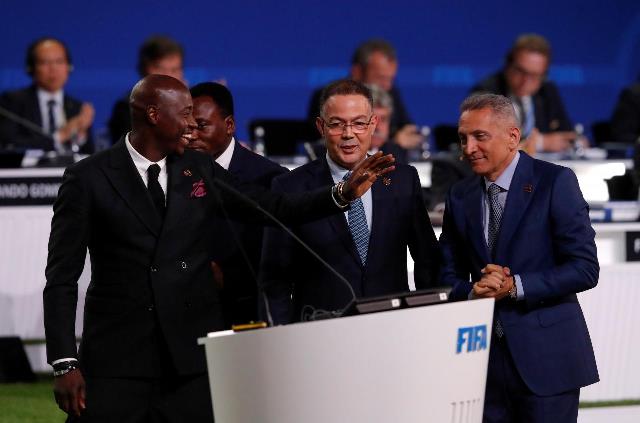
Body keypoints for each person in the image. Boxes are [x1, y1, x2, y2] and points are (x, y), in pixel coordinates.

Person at [43, 74, 394, 422]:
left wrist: (340, 195)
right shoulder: (88, 178)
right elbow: (61, 278)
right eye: (183, 115)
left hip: (190, 361)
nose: (191, 126)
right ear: (153, 115)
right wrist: (64, 361)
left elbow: (273, 207)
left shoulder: (197, 168)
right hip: (118, 360)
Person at [440, 93, 599, 422]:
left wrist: (516, 286)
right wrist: (472, 291)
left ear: (513, 137)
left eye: (479, 137)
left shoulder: (555, 182)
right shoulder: (460, 195)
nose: (468, 148)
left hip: (547, 362)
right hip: (481, 367)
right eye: (463, 138)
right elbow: (445, 274)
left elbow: (585, 268)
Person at [260, 79, 441, 324]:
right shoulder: (290, 187)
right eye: (337, 124)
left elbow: (427, 261)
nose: (348, 134)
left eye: (358, 123)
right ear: (320, 127)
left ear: (373, 124)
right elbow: (275, 279)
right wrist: (279, 337)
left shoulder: (403, 180)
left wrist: (431, 321)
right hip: (322, 333)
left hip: (394, 330)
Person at [187, 81, 288, 326]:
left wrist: (228, 277)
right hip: (185, 315)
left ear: (229, 125)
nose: (192, 136)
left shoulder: (270, 178)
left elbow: (278, 255)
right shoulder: (174, 171)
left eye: (201, 126)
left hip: (244, 314)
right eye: (187, 128)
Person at [471, 34, 581, 153]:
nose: (525, 81)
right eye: (521, 71)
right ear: (507, 65)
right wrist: (541, 143)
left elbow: (567, 135)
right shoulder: (485, 93)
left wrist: (575, 142)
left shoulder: (547, 92)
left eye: (534, 75)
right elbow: (482, 141)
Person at [307, 39, 422, 150]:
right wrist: (393, 144)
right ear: (357, 72)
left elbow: (407, 128)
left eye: (391, 79)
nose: (387, 86)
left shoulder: (391, 93)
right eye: (381, 78)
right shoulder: (329, 98)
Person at [0, 37, 94, 153]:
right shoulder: (13, 102)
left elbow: (89, 155)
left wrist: (80, 135)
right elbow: (8, 144)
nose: (53, 69)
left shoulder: (77, 108)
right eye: (44, 62)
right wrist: (59, 136)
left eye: (59, 62)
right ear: (31, 69)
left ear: (69, 67)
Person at [108, 35, 185, 144]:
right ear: (144, 70)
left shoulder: (192, 104)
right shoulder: (127, 107)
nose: (168, 76)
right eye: (161, 69)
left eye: (174, 70)